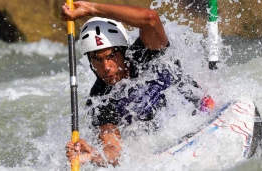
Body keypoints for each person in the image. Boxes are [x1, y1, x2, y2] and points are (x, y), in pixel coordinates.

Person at [61, 1, 214, 167]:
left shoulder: (146, 52)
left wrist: (91, 9)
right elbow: (113, 149)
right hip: (167, 141)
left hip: (204, 113)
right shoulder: (100, 99)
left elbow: (150, 18)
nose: (106, 67)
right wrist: (93, 155)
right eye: (97, 60)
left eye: (112, 56)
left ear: (123, 51)